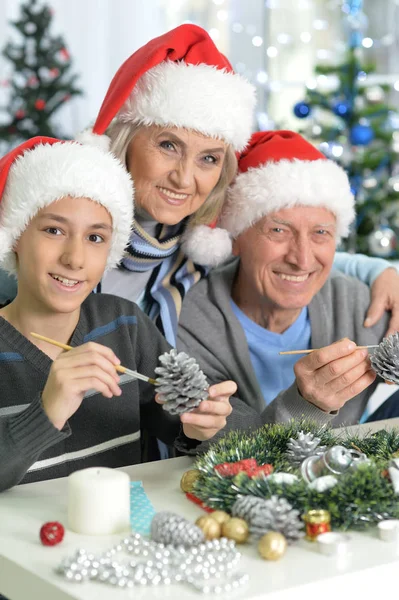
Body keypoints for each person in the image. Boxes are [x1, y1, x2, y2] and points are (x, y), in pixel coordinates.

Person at [0, 24, 397, 345]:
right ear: (125, 142)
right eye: (168, 145)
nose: (185, 178)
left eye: (208, 158)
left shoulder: (197, 241)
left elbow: (292, 254)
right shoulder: (57, 225)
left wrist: (380, 272)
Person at [0, 136, 250, 493]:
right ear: (15, 237)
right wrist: (47, 411)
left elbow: (195, 430)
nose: (75, 259)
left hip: (121, 539)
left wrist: (201, 426)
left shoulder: (123, 324)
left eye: (96, 238)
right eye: (54, 230)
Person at [177, 130, 398, 427]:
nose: (302, 260)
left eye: (321, 233)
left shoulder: (362, 305)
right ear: (236, 237)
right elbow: (226, 452)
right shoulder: (191, 322)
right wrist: (306, 405)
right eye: (278, 231)